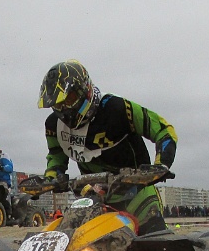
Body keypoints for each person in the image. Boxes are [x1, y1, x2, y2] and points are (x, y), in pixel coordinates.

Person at [38, 60, 178, 235]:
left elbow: (163, 130)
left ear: (85, 90)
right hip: (94, 195)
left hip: (136, 190)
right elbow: (56, 155)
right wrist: (52, 177)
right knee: (76, 240)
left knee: (157, 244)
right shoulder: (53, 125)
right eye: (58, 105)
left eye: (69, 100)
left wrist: (161, 164)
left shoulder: (117, 109)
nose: (64, 109)